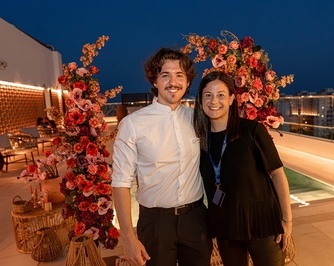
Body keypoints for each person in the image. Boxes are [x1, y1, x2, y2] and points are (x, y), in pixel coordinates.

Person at [111, 48, 212, 266]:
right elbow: (120, 183)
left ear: (187, 82)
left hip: (195, 219)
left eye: (179, 75)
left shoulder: (198, 119)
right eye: (165, 75)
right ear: (155, 81)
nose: (172, 82)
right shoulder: (133, 124)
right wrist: (128, 237)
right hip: (155, 224)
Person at [194, 71, 293, 266]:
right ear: (201, 99)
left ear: (231, 99)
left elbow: (278, 174)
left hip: (262, 222)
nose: (214, 101)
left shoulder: (252, 130)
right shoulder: (199, 139)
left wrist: (287, 220)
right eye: (208, 95)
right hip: (225, 226)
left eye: (221, 95)